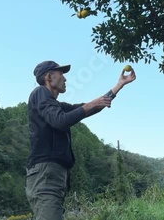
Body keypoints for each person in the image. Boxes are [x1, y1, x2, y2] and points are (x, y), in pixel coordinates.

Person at [25, 60, 136, 220]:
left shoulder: (56, 105)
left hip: (52, 174)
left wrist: (119, 85)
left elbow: (88, 108)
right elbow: (60, 121)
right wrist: (90, 105)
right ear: (49, 77)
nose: (65, 79)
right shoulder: (40, 93)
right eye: (61, 75)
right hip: (45, 174)